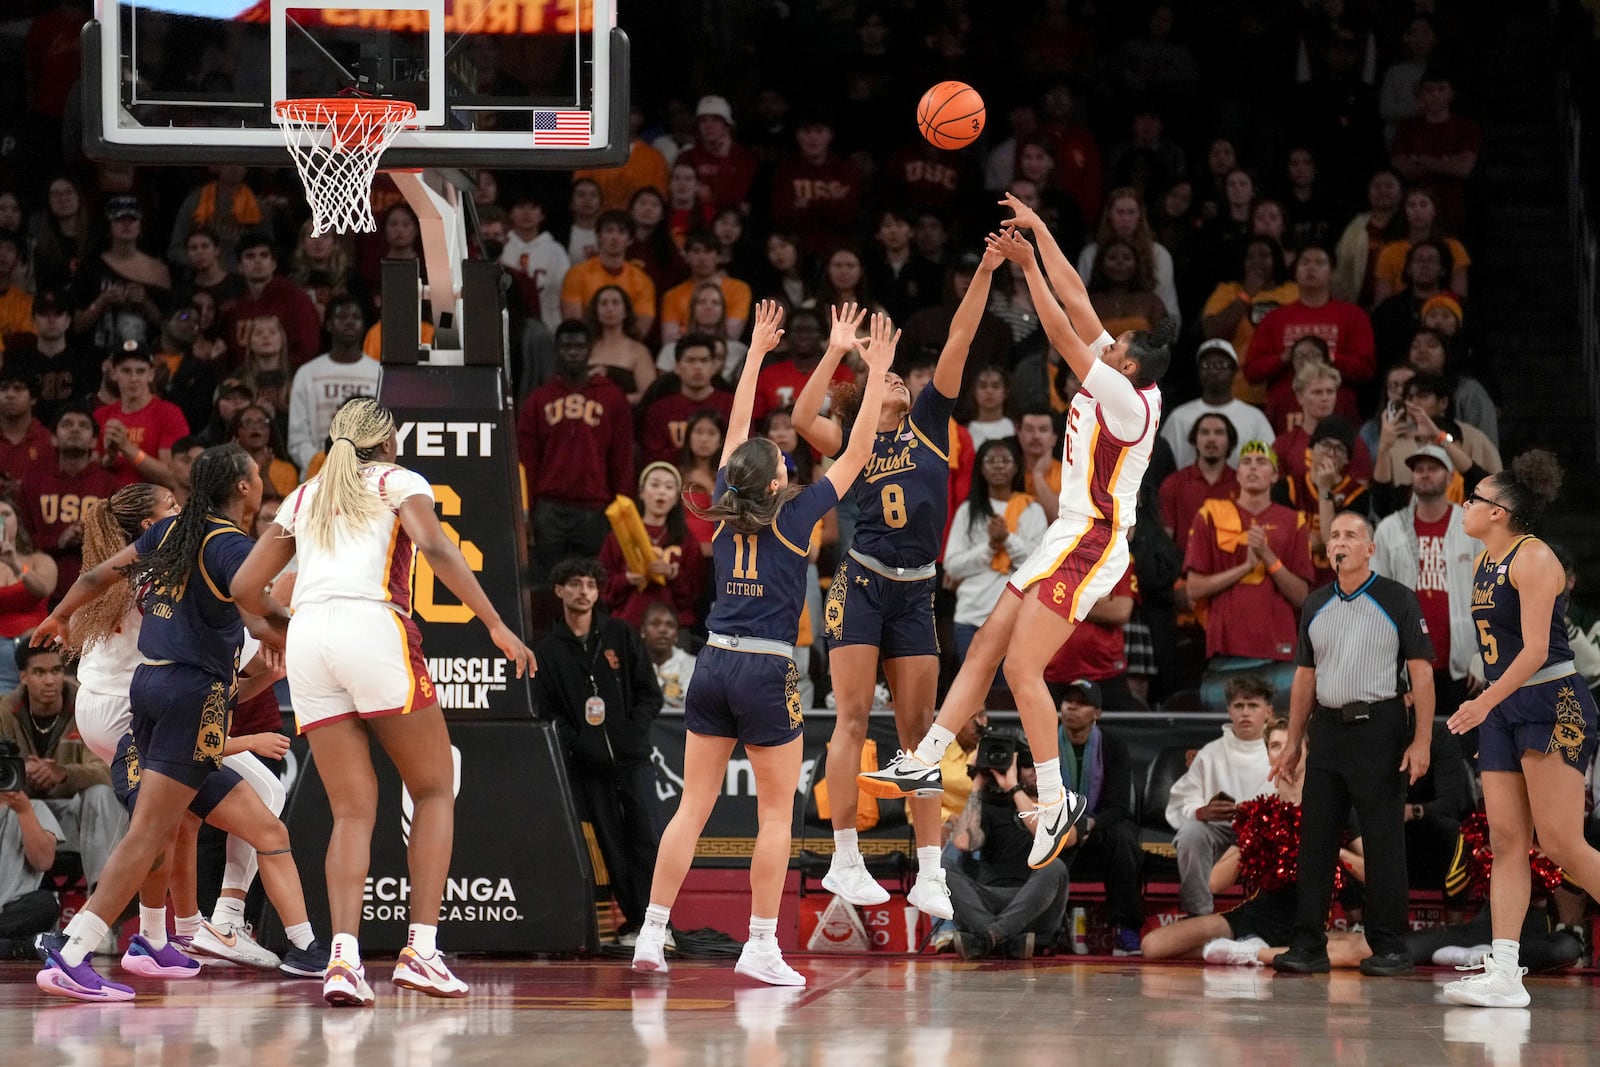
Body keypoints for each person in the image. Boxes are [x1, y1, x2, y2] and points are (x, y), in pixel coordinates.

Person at [861, 197, 1171, 872]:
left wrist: (1025, 269)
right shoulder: (1121, 372)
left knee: (1023, 667)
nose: (1104, 343)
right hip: (1065, 531)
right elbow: (1078, 295)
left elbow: (1060, 331)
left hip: (1093, 538)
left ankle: (1057, 799)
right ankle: (925, 759)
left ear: (1129, 371)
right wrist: (1039, 230)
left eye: (1115, 348)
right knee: (987, 649)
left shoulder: (1124, 398)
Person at [232, 398, 537, 1006]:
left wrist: (277, 633)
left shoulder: (304, 495)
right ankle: (421, 951)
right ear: (389, 442)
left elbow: (244, 586)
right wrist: (497, 624)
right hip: (373, 627)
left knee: (351, 812)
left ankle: (342, 960)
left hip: (312, 637)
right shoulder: (400, 480)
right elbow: (439, 548)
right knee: (431, 786)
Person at [631, 301, 896, 986]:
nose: (786, 456)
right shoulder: (797, 510)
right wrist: (871, 365)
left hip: (713, 660)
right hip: (766, 667)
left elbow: (739, 430)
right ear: (777, 480)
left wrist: (754, 355)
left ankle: (652, 935)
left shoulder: (724, 496)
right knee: (775, 811)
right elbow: (859, 451)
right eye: (783, 458)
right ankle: (760, 943)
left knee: (692, 806)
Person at [30, 445, 299, 1001]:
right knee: (159, 828)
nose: (179, 508)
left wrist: (57, 614)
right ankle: (84, 946)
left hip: (138, 698)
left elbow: (99, 577)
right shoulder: (205, 549)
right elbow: (246, 624)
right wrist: (299, 633)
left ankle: (158, 936)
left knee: (178, 821)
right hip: (138, 704)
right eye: (170, 502)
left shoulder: (163, 548)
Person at [793, 244, 999, 924]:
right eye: (889, 381)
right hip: (861, 583)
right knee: (850, 718)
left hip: (917, 591)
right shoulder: (853, 441)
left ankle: (932, 875)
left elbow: (961, 335)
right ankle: (845, 855)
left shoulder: (933, 422)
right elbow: (800, 420)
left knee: (921, 736)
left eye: (903, 380)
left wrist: (986, 271)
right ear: (868, 393)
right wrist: (837, 352)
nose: (902, 383)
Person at [1441, 451, 1600, 1007]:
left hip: (1554, 702)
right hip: (1505, 708)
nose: (1466, 504)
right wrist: (1491, 704)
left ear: (1501, 511)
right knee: (1507, 841)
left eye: (1476, 497)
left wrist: (1484, 702)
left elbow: (1534, 651)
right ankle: (1505, 972)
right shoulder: (1486, 559)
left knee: (1561, 843)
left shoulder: (1534, 559)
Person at [1269, 511, 1437, 977]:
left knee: (1383, 840)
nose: (1340, 542)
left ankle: (1390, 945)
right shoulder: (1316, 602)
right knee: (1316, 839)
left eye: (1350, 535)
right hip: (1328, 729)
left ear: (1370, 549)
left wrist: (1421, 740)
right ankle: (1307, 945)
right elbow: (1305, 677)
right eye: (1334, 535)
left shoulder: (1397, 598)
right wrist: (1294, 742)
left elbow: (1421, 674)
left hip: (1379, 727)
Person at [533, 557, 663, 942]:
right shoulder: (547, 650)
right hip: (588, 767)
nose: (583, 592)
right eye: (574, 584)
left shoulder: (619, 634)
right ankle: (635, 921)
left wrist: (629, 735)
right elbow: (548, 712)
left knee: (647, 836)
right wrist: (581, 746)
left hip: (633, 760)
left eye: (590, 585)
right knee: (610, 843)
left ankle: (658, 923)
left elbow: (649, 694)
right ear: (559, 591)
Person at [1183, 441, 1313, 707]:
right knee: (1225, 734)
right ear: (1238, 473)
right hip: (1226, 651)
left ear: (1275, 475)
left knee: (1278, 737)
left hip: (1279, 652)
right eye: (1247, 462)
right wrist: (1244, 567)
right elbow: (1193, 589)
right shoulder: (1210, 514)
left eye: (1262, 462)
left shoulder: (1294, 520)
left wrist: (1268, 557)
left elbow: (1301, 596)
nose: (1253, 466)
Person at [1371, 444, 1483, 738]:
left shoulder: (1471, 526)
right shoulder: (1389, 529)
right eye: (1418, 469)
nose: (1424, 474)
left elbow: (1491, 596)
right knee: (1406, 746)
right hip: (1405, 662)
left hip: (1461, 664)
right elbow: (1374, 598)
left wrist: (1482, 656)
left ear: (1450, 477)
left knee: (1457, 748)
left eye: (1433, 468)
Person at [517, 320, 635, 582]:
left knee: (593, 582)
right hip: (548, 508)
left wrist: (621, 510)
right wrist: (527, 512)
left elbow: (622, 458)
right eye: (566, 346)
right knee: (547, 583)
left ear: (590, 349)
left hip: (596, 508)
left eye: (579, 346)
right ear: (556, 350)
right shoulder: (539, 399)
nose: (573, 353)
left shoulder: (611, 397)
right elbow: (527, 461)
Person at [0, 642, 125, 889]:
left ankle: (101, 901)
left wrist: (63, 773)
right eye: (39, 673)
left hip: (74, 814)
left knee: (102, 793)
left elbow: (106, 769)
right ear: (23, 677)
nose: (50, 680)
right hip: (23, 813)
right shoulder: (4, 711)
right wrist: (22, 772)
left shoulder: (86, 705)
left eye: (56, 671)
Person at [942, 734, 1069, 959]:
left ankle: (987, 937)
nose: (1034, 771)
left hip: (1035, 905)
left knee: (1055, 867)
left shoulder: (1061, 804)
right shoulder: (990, 806)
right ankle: (1003, 938)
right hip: (988, 901)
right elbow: (962, 843)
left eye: (1040, 765)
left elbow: (1051, 838)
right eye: (1027, 764)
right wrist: (976, 787)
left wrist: (1014, 788)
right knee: (941, 866)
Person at [1166, 675, 1275, 916]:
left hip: (1264, 830)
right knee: (1191, 833)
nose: (1245, 712)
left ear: (1268, 711)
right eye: (1239, 706)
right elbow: (1183, 799)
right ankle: (1199, 913)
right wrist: (1201, 811)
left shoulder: (1278, 748)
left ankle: (1272, 914)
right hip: (1218, 829)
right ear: (1229, 712)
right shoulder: (1210, 753)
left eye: (1253, 705)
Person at [1055, 680, 1145, 953]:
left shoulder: (1114, 746)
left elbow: (1118, 806)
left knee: (1123, 837)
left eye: (1081, 702)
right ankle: (1046, 929)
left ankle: (1126, 929)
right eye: (1068, 700)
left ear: (1097, 713)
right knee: (1031, 838)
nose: (1071, 706)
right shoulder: (1043, 742)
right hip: (1057, 825)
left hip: (1099, 827)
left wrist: (1088, 824)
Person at [944, 438, 1049, 661]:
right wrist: (990, 547)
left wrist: (1007, 539)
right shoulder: (967, 511)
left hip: (1016, 618)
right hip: (971, 616)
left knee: (1008, 693)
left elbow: (1039, 567)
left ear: (1016, 466)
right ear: (980, 468)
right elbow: (952, 566)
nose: (998, 465)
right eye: (990, 460)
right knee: (974, 693)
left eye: (1005, 460)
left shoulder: (1033, 510)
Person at [18, 403, 118, 600]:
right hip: (40, 592)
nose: (75, 429)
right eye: (67, 424)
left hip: (96, 595)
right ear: (53, 438)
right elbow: (20, 542)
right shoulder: (32, 483)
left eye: (83, 426)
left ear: (93, 441)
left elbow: (120, 543)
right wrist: (58, 540)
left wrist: (90, 538)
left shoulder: (110, 486)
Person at [286, 297, 380, 471]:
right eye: (342, 317)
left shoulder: (378, 372)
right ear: (328, 324)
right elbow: (298, 438)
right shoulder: (308, 373)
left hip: (367, 473)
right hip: (318, 473)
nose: (349, 322)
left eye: (355, 317)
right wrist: (323, 464)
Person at [1159, 339, 1274, 469]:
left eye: (1221, 365)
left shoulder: (1254, 418)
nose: (1213, 371)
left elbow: (1268, 463)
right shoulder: (1179, 417)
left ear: (1234, 371)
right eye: (1206, 365)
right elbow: (1163, 462)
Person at [93, 342, 190, 489]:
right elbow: (89, 472)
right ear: (114, 373)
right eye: (126, 371)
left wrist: (126, 447)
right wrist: (108, 460)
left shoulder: (169, 414)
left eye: (140, 371)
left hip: (152, 504)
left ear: (151, 374)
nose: (133, 378)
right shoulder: (101, 416)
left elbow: (173, 478)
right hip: (109, 502)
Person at [637, 334, 734, 466]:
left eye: (704, 360)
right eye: (690, 360)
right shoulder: (659, 410)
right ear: (677, 367)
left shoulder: (733, 406)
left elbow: (742, 451)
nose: (698, 367)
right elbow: (652, 459)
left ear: (713, 366)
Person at [0, 497, 58, 693]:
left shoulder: (38, 560)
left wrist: (15, 563)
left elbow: (43, 588)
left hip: (35, 652)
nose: (1, 521)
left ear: (17, 520)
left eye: (5, 514)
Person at [1159, 412, 1239, 544]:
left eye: (1219, 433)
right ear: (1194, 440)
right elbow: (1165, 540)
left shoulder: (1241, 485)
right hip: (1181, 563)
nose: (1211, 439)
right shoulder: (1173, 484)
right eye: (1204, 432)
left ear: (1230, 441)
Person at [641, 602, 696, 710]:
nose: (663, 630)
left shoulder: (694, 667)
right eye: (655, 624)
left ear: (676, 635)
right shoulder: (630, 666)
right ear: (643, 631)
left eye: (670, 625)